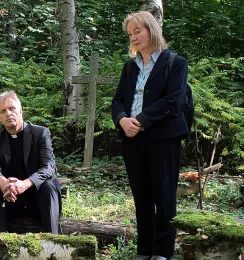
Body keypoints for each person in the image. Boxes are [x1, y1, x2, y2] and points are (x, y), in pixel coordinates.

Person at [111, 11, 189, 260]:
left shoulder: (175, 63)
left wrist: (141, 120)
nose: (133, 37)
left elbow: (173, 101)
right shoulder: (129, 66)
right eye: (130, 34)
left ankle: (162, 252)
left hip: (163, 139)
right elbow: (117, 101)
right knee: (141, 196)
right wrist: (122, 120)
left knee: (164, 196)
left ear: (152, 30)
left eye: (138, 31)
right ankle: (144, 251)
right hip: (133, 139)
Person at [0, 91, 61, 234]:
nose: (8, 113)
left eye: (12, 108)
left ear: (20, 111)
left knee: (49, 185)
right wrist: (3, 182)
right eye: (3, 111)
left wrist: (25, 184)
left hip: (39, 199)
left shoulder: (40, 133)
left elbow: (49, 167)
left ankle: (52, 242)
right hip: (12, 199)